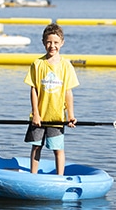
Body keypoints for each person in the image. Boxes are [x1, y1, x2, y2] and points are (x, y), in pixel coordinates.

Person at [24, 23, 79, 175]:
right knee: (36, 147)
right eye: (48, 42)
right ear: (43, 42)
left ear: (62, 43)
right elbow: (33, 89)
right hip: (39, 116)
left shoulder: (66, 66)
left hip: (57, 116)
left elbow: (68, 92)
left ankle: (60, 177)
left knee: (58, 149)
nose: (52, 46)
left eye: (55, 42)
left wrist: (71, 115)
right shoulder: (37, 64)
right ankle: (33, 176)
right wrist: (35, 113)